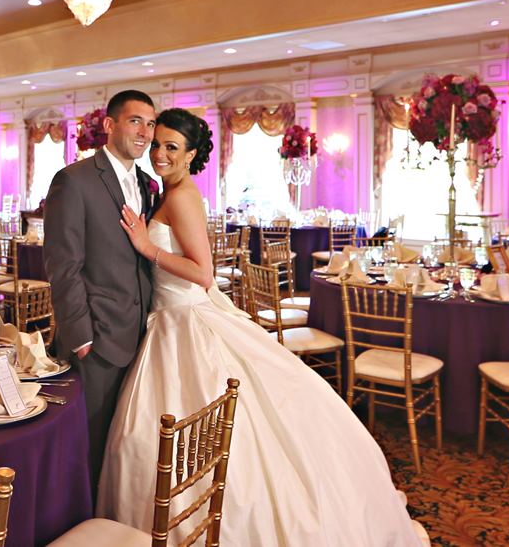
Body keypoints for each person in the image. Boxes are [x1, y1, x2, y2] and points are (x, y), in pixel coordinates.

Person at [98, 107, 426, 546]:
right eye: (157, 144)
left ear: (191, 154)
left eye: (171, 147)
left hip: (183, 318)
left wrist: (146, 246)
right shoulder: (167, 191)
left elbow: (203, 273)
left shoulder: (182, 197)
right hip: (168, 319)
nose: (159, 153)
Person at [43, 90, 158, 495]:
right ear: (110, 125)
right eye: (135, 121)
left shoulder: (147, 183)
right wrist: (81, 337)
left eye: (150, 123)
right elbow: (63, 265)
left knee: (122, 444)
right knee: (88, 445)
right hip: (99, 338)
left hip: (143, 334)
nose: (145, 132)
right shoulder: (74, 180)